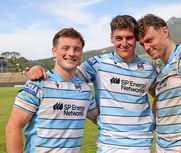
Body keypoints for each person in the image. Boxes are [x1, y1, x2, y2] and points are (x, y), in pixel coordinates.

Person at [25, 15, 157, 153]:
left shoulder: (148, 68)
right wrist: (40, 71)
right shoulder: (96, 63)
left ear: (135, 38)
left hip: (142, 145)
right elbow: (66, 75)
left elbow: (159, 94)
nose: (124, 43)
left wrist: (152, 121)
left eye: (129, 38)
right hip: (108, 146)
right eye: (119, 38)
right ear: (111, 37)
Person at [5, 28, 98, 153]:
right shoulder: (38, 84)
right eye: (65, 48)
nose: (71, 53)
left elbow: (100, 118)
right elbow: (13, 127)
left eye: (77, 49)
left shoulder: (85, 90)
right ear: (54, 51)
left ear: (81, 53)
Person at [137, 14, 181, 153]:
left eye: (149, 40)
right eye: (142, 44)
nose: (146, 47)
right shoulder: (162, 70)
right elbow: (159, 106)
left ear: (165, 31)